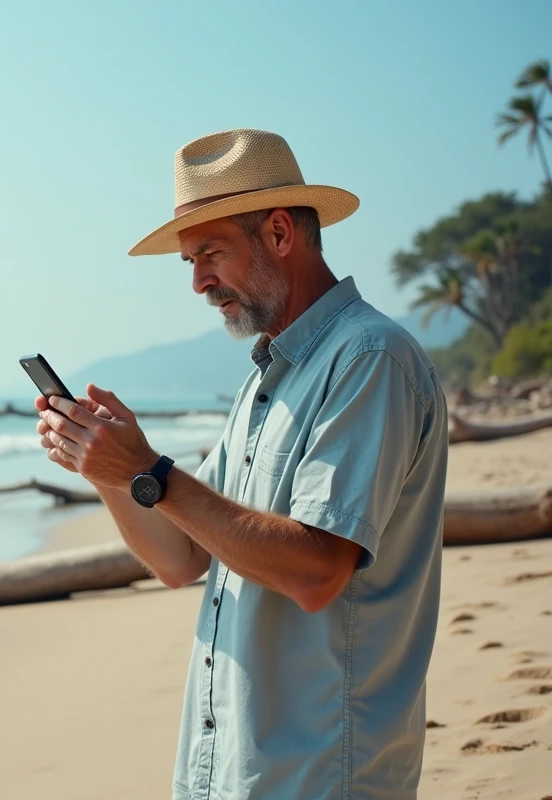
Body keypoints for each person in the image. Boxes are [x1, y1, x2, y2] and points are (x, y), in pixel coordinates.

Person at [35, 128, 447, 799]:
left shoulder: (371, 358)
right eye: (189, 262)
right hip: (234, 770)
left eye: (209, 254)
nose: (198, 281)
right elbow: (180, 560)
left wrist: (154, 474)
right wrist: (111, 472)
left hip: (324, 774)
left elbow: (317, 570)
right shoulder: (268, 378)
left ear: (280, 233)